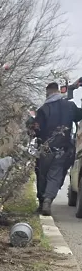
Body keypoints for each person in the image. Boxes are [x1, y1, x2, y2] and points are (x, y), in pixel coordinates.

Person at [34, 82, 82, 215]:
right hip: (62, 150)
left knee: (42, 175)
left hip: (45, 149)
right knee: (54, 176)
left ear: (47, 93)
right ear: (58, 92)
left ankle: (42, 203)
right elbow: (79, 116)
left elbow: (36, 130)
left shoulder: (43, 109)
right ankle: (48, 200)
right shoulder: (70, 106)